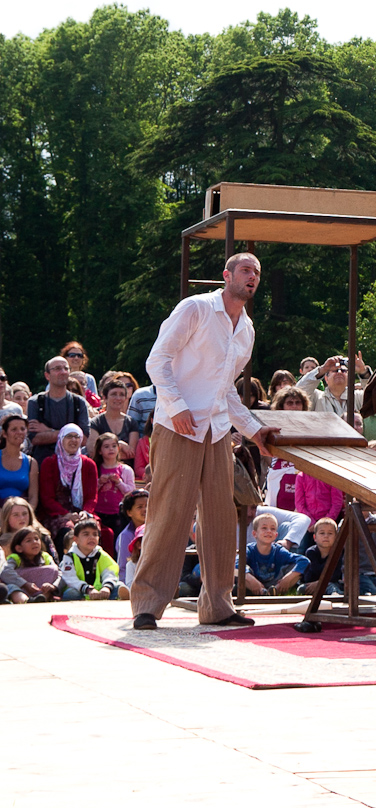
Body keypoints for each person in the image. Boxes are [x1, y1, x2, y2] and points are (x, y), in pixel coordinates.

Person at [129, 252, 279, 630]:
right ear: (227, 275)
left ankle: (217, 607)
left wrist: (254, 431)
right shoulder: (195, 308)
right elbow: (157, 360)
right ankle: (147, 604)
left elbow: (226, 390)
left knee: (220, 518)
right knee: (169, 514)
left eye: (257, 272)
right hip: (177, 426)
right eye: (245, 270)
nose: (252, 277)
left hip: (216, 431)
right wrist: (176, 406)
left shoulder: (246, 329)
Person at [38, 424, 99, 552]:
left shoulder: (88, 464)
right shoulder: (49, 463)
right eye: (69, 436)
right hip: (57, 513)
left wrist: (85, 512)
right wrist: (67, 514)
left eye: (77, 437)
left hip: (81, 513)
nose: (73, 440)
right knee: (68, 531)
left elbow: (92, 497)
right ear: (61, 439)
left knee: (98, 530)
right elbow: (47, 498)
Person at [26, 356, 90, 465]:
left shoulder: (79, 403)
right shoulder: (36, 402)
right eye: (57, 369)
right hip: (43, 464)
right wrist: (71, 435)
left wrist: (49, 431)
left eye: (66, 368)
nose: (63, 372)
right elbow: (35, 439)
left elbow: (83, 439)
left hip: (73, 466)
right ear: (47, 375)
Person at [238, 513, 308, 596]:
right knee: (240, 569)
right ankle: (261, 592)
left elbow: (304, 561)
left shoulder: (278, 550)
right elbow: (236, 564)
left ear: (276, 535)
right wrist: (252, 580)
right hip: (253, 584)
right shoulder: (249, 549)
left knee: (294, 566)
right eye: (264, 528)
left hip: (275, 583)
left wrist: (287, 579)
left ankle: (275, 591)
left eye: (272, 529)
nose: (269, 531)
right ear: (254, 534)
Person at [58, 518, 124, 601]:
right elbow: (70, 578)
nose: (91, 538)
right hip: (80, 590)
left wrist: (106, 587)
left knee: (119, 586)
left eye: (95, 534)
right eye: (86, 534)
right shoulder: (70, 556)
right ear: (76, 539)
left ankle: (119, 598)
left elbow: (110, 572)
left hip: (100, 590)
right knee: (71, 593)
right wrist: (87, 589)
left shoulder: (100, 554)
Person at [297, 354, 367, 426]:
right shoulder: (317, 397)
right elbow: (298, 391)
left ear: (349, 377)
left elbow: (373, 393)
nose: (339, 372)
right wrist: (323, 369)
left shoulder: (358, 396)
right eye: (335, 371)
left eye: (343, 371)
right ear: (326, 378)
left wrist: (363, 372)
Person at [92, 433, 135, 541]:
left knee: (118, 540)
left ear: (118, 448)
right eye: (106, 446)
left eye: (114, 446)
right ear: (100, 451)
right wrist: (99, 483)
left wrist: (119, 482)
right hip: (99, 513)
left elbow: (131, 492)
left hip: (119, 514)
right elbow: (89, 492)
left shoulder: (126, 470)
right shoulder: (95, 469)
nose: (111, 449)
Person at [87, 378, 140, 465]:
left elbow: (131, 454)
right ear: (105, 398)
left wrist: (106, 451)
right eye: (114, 394)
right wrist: (120, 445)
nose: (118, 398)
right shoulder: (96, 422)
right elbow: (93, 452)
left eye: (121, 395)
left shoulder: (131, 422)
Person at [2, 526, 60, 603]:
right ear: (19, 548)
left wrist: (53, 586)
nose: (35, 542)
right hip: (21, 587)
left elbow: (58, 572)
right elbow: (5, 572)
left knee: (51, 574)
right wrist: (25, 584)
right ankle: (26, 600)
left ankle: (42, 599)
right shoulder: (15, 558)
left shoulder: (45, 557)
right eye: (28, 541)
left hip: (40, 589)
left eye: (36, 539)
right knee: (12, 587)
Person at [0, 414, 37, 508]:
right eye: (14, 429)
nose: (19, 432)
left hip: (21, 513)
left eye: (22, 429)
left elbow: (33, 497)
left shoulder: (31, 463)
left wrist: (27, 513)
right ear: (4, 434)